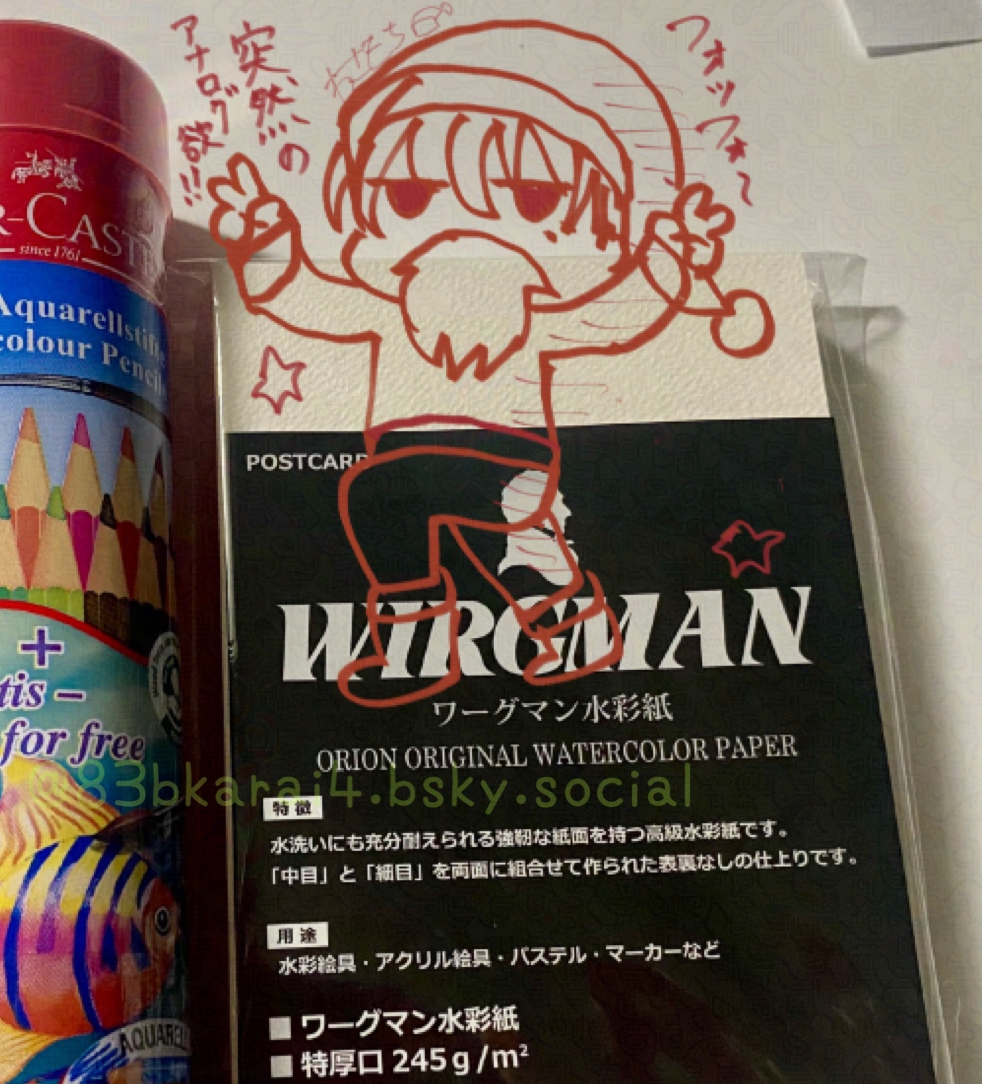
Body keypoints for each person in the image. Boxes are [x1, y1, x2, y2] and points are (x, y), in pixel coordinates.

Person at [210, 19, 774, 707]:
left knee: (388, 498)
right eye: (410, 195)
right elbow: (306, 297)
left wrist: (668, 262)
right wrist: (266, 240)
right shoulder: (390, 304)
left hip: (507, 460)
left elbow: (617, 314)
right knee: (505, 550)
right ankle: (565, 630)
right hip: (444, 466)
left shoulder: (533, 309)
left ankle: (425, 645)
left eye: (533, 198)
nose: (461, 225)